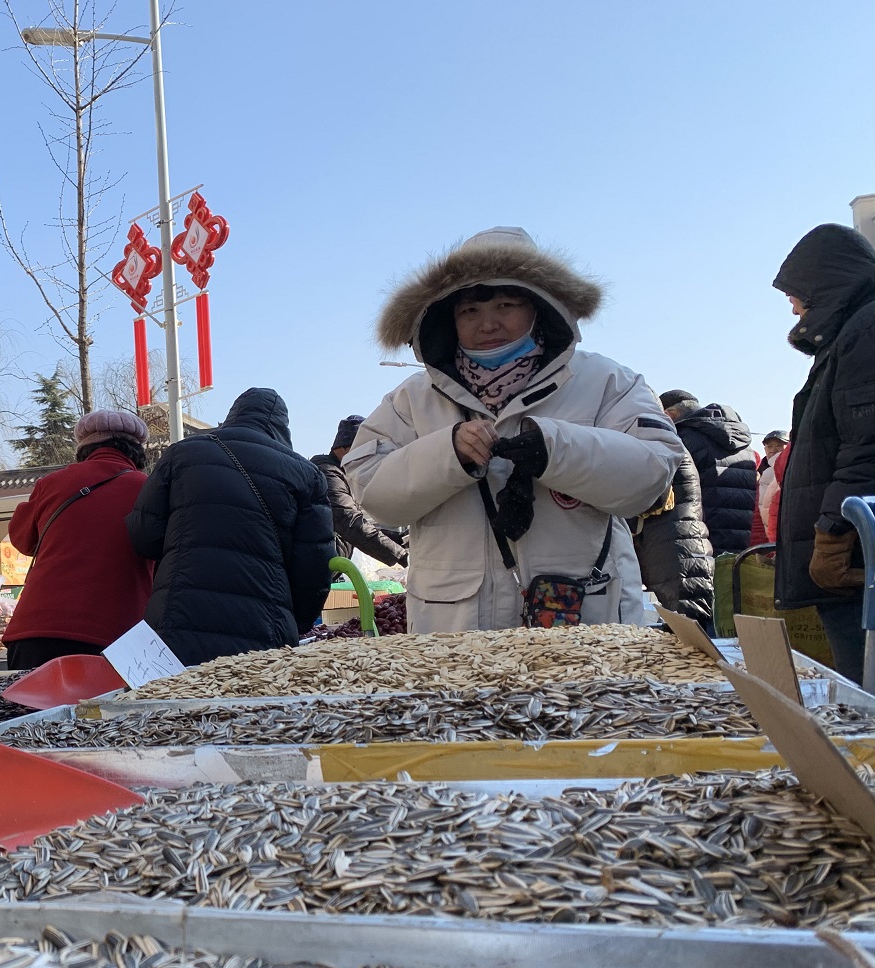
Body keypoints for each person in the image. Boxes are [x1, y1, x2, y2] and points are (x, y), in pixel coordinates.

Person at [346, 227, 682, 633]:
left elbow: (652, 473)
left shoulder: (607, 380)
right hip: (453, 633)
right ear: (448, 319)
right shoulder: (411, 400)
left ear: (540, 305)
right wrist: (447, 454)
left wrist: (556, 449)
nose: (488, 324)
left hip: (586, 625)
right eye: (469, 311)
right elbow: (372, 492)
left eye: (506, 304)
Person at [127, 387, 335, 665]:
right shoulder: (306, 474)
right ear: (283, 427)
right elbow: (315, 566)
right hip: (265, 630)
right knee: (251, 706)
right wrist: (295, 622)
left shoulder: (182, 454)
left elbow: (145, 536)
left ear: (233, 415)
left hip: (177, 620)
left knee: (175, 705)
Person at [771, 224, 875, 681]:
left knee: (865, 698)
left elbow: (866, 445)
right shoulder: (848, 335)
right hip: (855, 556)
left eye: (796, 293)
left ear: (826, 283)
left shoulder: (865, 330)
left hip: (858, 560)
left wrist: (834, 533)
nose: (792, 305)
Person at [1, 410, 154, 670]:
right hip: (118, 636)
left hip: (36, 632)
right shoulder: (149, 488)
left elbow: (21, 540)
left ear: (84, 448)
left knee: (34, 711)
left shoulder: (51, 483)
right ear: (138, 451)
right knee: (109, 712)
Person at [660, 390, 759, 555]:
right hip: (740, 536)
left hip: (698, 537)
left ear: (669, 414)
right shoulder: (743, 444)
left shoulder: (683, 438)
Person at [631, 450, 715, 630]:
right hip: (677, 538)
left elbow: (653, 498)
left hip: (673, 542)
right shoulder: (667, 444)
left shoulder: (661, 446)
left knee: (688, 621)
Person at [310, 415, 408, 567]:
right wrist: (400, 554)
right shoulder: (328, 474)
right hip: (315, 567)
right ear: (343, 448)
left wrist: (398, 539)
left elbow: (354, 522)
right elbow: (347, 520)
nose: (368, 459)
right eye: (363, 452)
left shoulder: (341, 474)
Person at [752, 429, 789, 545]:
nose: (773, 450)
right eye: (769, 446)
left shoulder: (787, 470)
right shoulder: (758, 472)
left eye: (779, 446)